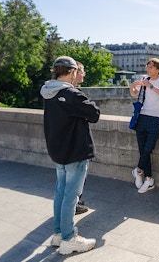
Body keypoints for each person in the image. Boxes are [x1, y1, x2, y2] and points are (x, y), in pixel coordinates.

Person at [40, 56, 100, 255]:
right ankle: (68, 238)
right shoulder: (71, 93)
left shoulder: (48, 91)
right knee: (71, 196)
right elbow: (94, 113)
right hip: (74, 149)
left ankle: (58, 234)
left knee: (60, 192)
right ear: (71, 72)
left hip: (58, 149)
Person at [128, 58, 159, 193]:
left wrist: (151, 86)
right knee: (143, 150)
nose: (148, 69)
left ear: (158, 69)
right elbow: (134, 94)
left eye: (151, 67)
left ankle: (138, 170)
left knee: (148, 149)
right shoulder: (144, 79)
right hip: (142, 116)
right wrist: (132, 86)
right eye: (148, 67)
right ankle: (148, 179)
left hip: (157, 118)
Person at [72, 61, 89, 215]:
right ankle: (74, 204)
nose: (84, 74)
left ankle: (75, 201)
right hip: (75, 146)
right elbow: (93, 114)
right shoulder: (74, 94)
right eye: (82, 71)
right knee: (76, 179)